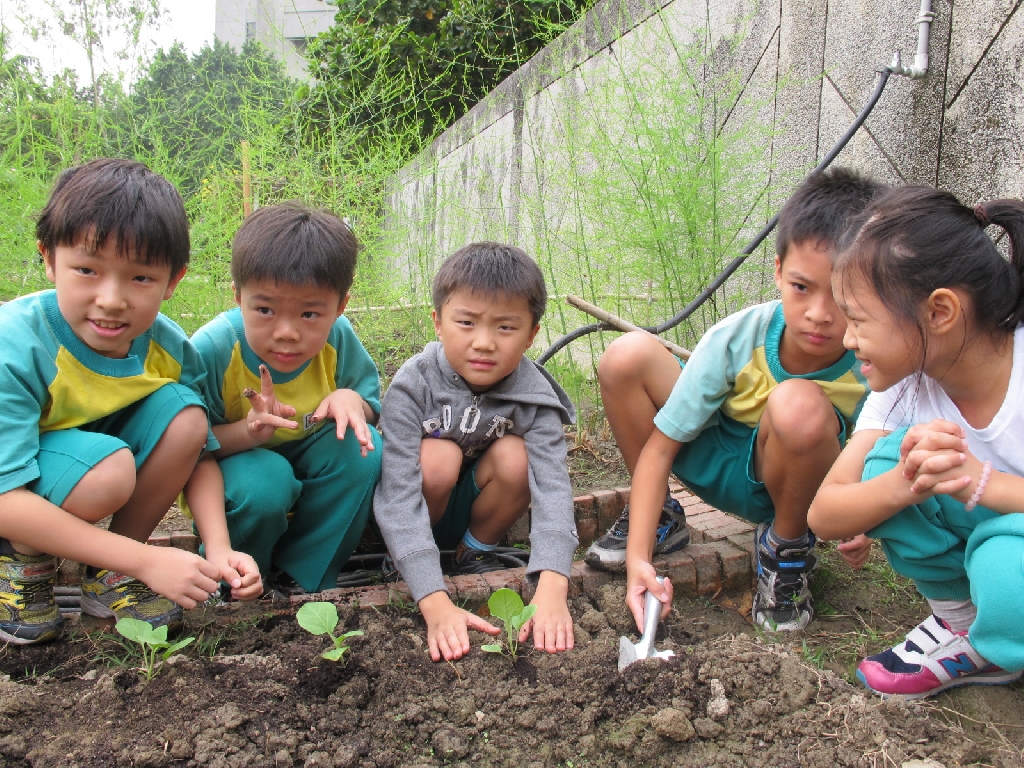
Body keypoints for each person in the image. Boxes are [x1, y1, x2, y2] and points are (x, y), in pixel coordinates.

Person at [593, 167, 888, 633]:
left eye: (841, 294)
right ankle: (660, 519)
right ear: (777, 271)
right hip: (711, 457)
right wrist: (638, 560)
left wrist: (861, 523)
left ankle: (784, 550)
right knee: (626, 356)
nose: (818, 314)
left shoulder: (875, 362)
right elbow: (660, 449)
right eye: (801, 287)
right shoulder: (738, 336)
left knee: (801, 406)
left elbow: (873, 458)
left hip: (788, 487)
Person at [0, 158, 262, 645]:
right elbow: (4, 498)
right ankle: (21, 563)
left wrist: (219, 547)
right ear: (48, 258)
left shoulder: (168, 347)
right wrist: (146, 560)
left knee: (186, 417)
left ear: (172, 280)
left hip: (83, 462)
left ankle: (107, 577)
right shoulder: (14, 347)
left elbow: (198, 452)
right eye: (86, 270)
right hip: (21, 490)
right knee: (110, 471)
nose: (112, 299)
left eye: (140, 278)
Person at [808, 187, 1024, 699]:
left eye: (858, 319)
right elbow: (825, 513)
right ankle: (966, 632)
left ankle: (1004, 628)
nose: (846, 339)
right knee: (887, 461)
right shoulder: (905, 388)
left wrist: (982, 483)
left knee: (1005, 568)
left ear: (940, 311)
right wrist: (905, 483)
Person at [374, 242, 578, 662]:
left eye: (505, 328)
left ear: (532, 333)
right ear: (438, 322)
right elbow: (395, 495)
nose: (484, 343)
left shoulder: (535, 396)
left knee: (518, 457)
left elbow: (553, 488)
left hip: (475, 508)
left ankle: (473, 552)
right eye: (466, 322)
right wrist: (433, 599)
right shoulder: (414, 386)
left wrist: (553, 585)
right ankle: (409, 564)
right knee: (438, 459)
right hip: (416, 515)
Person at [191, 204, 382, 593]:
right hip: (235, 469)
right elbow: (191, 449)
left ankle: (306, 576)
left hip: (309, 454)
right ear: (237, 297)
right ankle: (236, 579)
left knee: (364, 449)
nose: (287, 332)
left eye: (310, 314)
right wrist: (247, 433)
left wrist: (350, 399)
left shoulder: (338, 338)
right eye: (264, 309)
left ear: (340, 307)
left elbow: (368, 404)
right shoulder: (213, 349)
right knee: (265, 484)